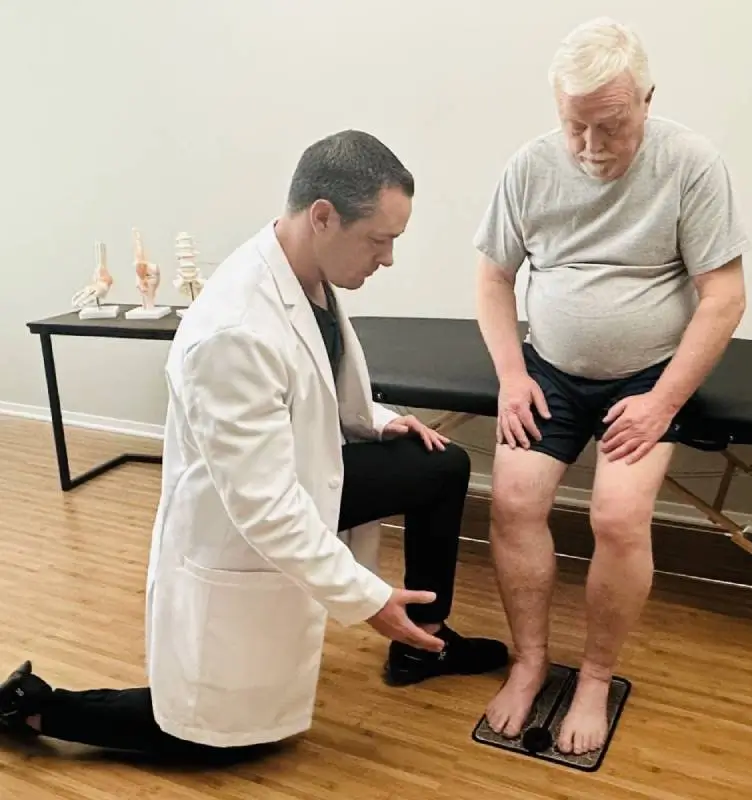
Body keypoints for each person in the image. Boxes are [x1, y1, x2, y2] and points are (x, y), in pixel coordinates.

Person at [0, 130, 508, 760]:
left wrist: (377, 421)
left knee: (438, 466)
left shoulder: (305, 273)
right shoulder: (233, 330)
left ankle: (422, 642)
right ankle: (35, 706)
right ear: (323, 216)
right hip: (245, 524)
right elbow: (266, 507)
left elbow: (309, 381)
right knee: (210, 736)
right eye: (381, 240)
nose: (388, 260)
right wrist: (368, 599)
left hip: (301, 478)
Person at [474, 18, 748, 756]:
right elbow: (495, 278)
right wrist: (510, 376)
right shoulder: (529, 168)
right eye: (576, 128)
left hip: (652, 373)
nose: (593, 148)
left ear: (648, 99)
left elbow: (723, 295)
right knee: (513, 499)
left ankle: (594, 676)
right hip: (551, 370)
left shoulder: (691, 164)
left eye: (612, 127)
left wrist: (663, 404)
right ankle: (530, 663)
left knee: (619, 516)